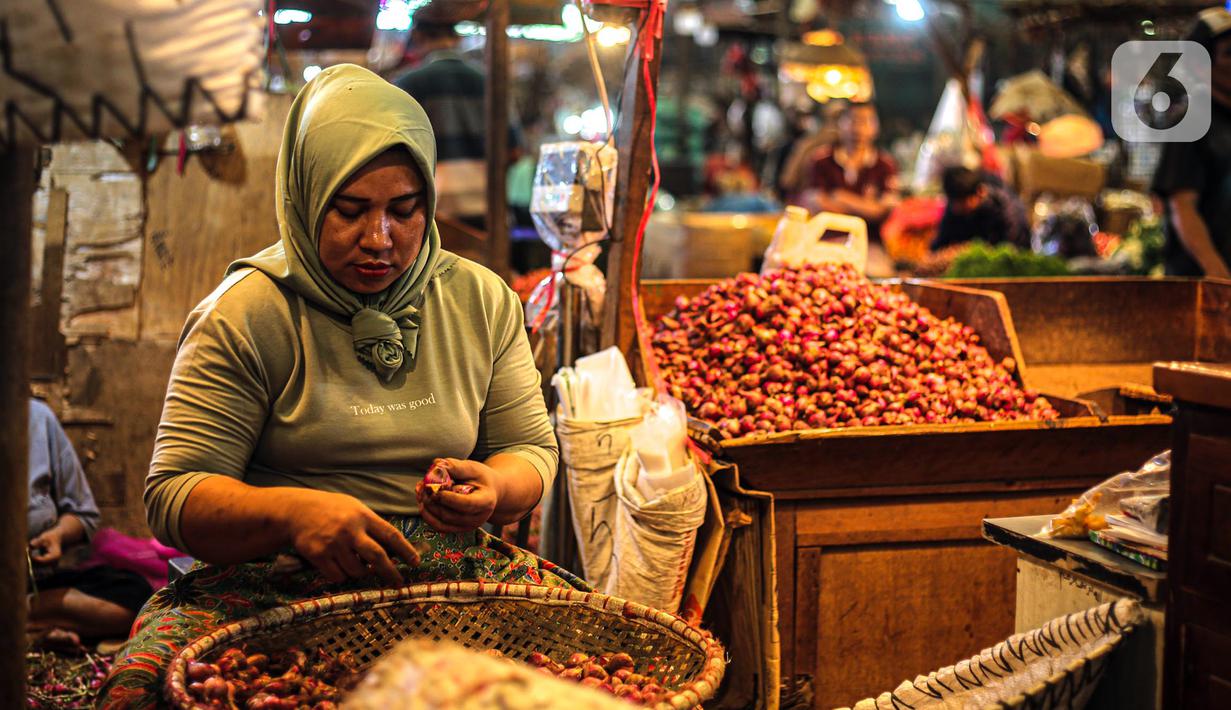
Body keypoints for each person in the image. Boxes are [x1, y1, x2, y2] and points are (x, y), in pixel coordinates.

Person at [100, 65, 583, 708]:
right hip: (271, 585)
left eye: (404, 211)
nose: (379, 239)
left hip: (446, 579)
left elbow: (531, 451)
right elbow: (175, 495)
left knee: (586, 674)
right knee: (143, 693)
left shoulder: (480, 300)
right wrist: (293, 515)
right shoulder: (246, 315)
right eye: (350, 211)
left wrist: (495, 488)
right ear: (305, 198)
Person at [26, 398, 152, 646]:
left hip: (33, 582)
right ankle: (31, 627)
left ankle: (25, 616)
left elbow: (83, 514)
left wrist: (57, 535)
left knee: (135, 594)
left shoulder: (38, 418)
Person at [1151, 6, 1231, 278]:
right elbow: (1182, 207)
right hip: (1199, 285)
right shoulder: (1191, 120)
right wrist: (1217, 274)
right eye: (1229, 53)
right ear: (1201, 65)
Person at [794, 102, 900, 227]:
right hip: (829, 234)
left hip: (869, 237)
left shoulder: (885, 165)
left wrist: (842, 198)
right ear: (840, 124)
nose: (859, 129)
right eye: (853, 121)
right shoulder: (821, 160)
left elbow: (884, 210)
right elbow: (817, 204)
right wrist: (867, 208)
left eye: (865, 122)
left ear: (876, 128)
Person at [932, 166, 1031, 252]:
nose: (957, 208)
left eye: (963, 204)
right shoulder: (955, 205)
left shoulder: (1007, 210)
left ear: (980, 192)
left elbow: (1015, 248)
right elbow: (939, 245)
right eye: (954, 204)